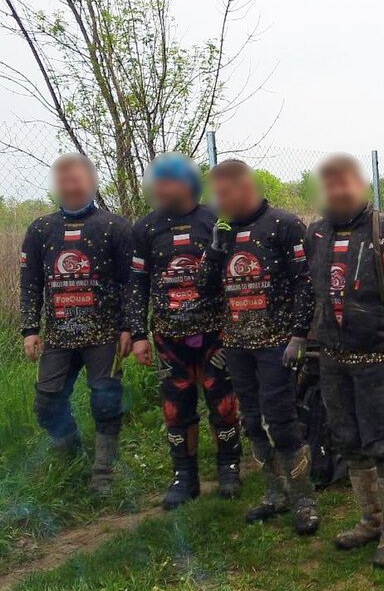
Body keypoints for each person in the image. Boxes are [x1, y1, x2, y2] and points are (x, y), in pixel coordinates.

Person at [305, 153, 384, 568]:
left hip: (377, 359)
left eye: (344, 183)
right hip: (333, 359)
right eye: (330, 185)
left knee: (383, 443)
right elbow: (310, 290)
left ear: (360, 186)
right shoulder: (316, 233)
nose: (337, 191)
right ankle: (370, 521)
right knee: (348, 442)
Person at [196, 159, 319, 535]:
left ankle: (304, 499)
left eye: (223, 194)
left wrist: (299, 334)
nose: (217, 202)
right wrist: (214, 251)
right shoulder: (223, 232)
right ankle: (274, 493)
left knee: (280, 421)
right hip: (237, 343)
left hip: (276, 342)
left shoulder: (284, 224)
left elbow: (306, 283)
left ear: (245, 188)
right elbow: (204, 289)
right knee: (251, 421)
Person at [122, 153, 242, 511]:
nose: (159, 189)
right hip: (168, 336)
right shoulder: (144, 228)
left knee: (222, 401)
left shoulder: (214, 220)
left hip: (215, 332)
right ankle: (184, 477)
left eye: (167, 182)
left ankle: (229, 467)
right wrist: (138, 334)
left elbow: (234, 274)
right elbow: (136, 283)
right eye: (156, 182)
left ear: (187, 183)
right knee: (176, 408)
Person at [19, 153, 131, 495]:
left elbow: (131, 283)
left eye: (77, 179)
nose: (71, 186)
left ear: (91, 182)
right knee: (46, 403)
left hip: (104, 334)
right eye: (64, 180)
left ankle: (103, 474)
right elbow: (30, 282)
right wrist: (30, 329)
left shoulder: (114, 226)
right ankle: (73, 456)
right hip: (58, 335)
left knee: (105, 401)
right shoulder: (40, 229)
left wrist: (130, 328)